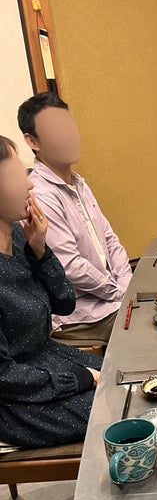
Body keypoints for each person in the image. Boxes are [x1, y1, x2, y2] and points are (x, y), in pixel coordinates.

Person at [0, 135, 101, 449]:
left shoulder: (20, 237)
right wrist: (79, 379)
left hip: (46, 360)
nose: (29, 185)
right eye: (17, 176)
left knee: (126, 378)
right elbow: (4, 376)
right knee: (117, 406)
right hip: (15, 401)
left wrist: (40, 250)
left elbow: (64, 302)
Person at [17, 92, 132, 345]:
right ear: (32, 141)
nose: (68, 136)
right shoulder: (40, 194)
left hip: (111, 297)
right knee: (153, 324)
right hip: (83, 314)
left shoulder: (78, 182)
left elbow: (110, 239)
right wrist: (119, 292)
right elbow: (70, 266)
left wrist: (127, 284)